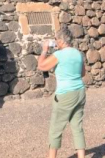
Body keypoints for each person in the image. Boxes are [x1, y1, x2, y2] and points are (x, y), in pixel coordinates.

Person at [38, 27, 86, 158]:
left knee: (56, 129)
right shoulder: (78, 53)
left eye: (56, 39)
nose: (55, 42)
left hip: (65, 94)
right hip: (80, 92)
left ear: (61, 40)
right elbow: (82, 73)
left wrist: (44, 51)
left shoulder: (59, 55)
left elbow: (41, 66)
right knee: (77, 127)